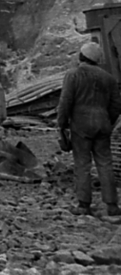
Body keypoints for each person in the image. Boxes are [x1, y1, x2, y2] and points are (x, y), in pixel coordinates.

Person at [57, 41, 121, 216]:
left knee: (82, 164)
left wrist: (61, 124)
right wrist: (107, 121)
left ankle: (84, 205)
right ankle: (112, 205)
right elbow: (116, 105)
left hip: (81, 126)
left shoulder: (73, 75)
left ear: (81, 56)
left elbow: (65, 102)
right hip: (103, 125)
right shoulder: (109, 78)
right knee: (105, 164)